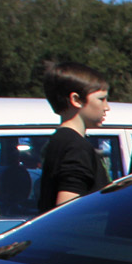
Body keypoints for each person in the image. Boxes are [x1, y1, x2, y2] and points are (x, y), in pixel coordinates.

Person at [36, 60, 110, 209]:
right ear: (76, 100)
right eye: (101, 99)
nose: (106, 107)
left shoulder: (58, 140)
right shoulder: (76, 148)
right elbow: (66, 211)